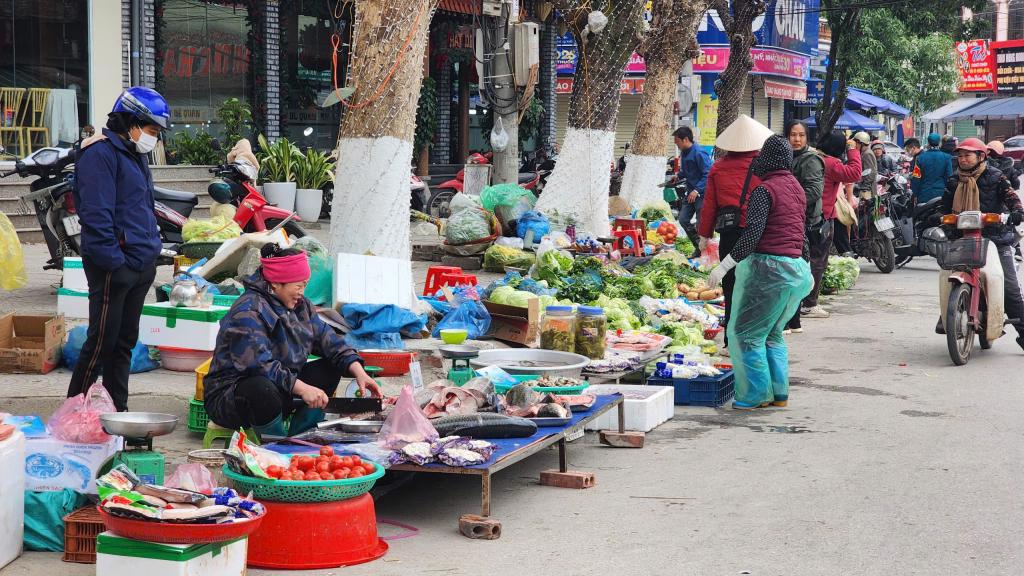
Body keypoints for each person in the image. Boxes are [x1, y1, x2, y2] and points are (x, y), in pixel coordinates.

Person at [203, 245, 382, 437]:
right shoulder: (248, 311)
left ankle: (302, 437)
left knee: (329, 369)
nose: (302, 292)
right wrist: (303, 389)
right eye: (298, 286)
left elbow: (329, 341)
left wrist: (359, 371)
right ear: (276, 283)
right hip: (233, 398)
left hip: (282, 388)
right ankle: (276, 445)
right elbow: (259, 366)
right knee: (261, 387)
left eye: (305, 285)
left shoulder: (301, 306)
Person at [66, 87, 169, 412]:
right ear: (130, 122)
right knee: (100, 343)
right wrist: (116, 263)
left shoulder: (134, 155)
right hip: (114, 267)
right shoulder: (100, 155)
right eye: (151, 131)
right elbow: (96, 216)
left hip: (140, 264)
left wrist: (149, 255)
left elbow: (141, 207)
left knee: (124, 344)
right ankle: (73, 412)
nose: (153, 139)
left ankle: (117, 413)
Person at [704, 135, 813, 409]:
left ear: (767, 160)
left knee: (746, 334)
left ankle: (755, 396)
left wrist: (724, 266)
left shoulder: (765, 190)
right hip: (796, 269)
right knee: (772, 333)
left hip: (769, 270)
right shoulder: (796, 187)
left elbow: (752, 235)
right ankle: (779, 395)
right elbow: (802, 232)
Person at [938, 138, 1024, 350]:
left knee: (1009, 289)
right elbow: (944, 207)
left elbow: (1013, 200)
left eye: (967, 155)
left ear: (981, 156)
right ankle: (948, 314)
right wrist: (938, 218)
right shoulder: (953, 180)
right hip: (962, 238)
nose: (963, 159)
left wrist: (1015, 214)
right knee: (947, 277)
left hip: (996, 239)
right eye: (960, 155)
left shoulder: (996, 177)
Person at [698, 114, 773, 350]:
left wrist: (704, 235)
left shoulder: (718, 168)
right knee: (755, 286)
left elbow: (709, 204)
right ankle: (753, 339)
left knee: (731, 286)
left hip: (729, 235)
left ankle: (730, 340)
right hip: (756, 235)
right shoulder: (764, 167)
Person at [809, 131, 862, 318]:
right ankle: (809, 304)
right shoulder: (831, 163)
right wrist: (853, 150)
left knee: (808, 260)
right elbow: (854, 173)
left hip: (807, 216)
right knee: (817, 261)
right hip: (823, 218)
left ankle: (803, 301)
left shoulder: (812, 157)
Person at [783, 119, 825, 334]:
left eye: (801, 135)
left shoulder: (810, 160)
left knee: (795, 272)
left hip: (805, 223)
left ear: (807, 138)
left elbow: (814, 191)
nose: (797, 139)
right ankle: (793, 320)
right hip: (792, 221)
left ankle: (792, 319)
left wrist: (786, 204)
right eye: (792, 134)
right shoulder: (786, 157)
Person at [673, 126, 712, 255]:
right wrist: (678, 175)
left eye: (677, 140)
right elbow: (687, 171)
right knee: (683, 219)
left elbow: (708, 174)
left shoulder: (699, 153)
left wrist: (696, 190)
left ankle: (704, 251)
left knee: (701, 225)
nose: (675, 143)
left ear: (685, 139)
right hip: (690, 192)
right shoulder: (684, 152)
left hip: (701, 194)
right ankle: (698, 245)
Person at [910, 133, 954, 203]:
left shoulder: (920, 158)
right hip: (941, 194)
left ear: (928, 143)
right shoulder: (947, 157)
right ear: (939, 142)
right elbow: (949, 177)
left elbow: (916, 178)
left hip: (924, 194)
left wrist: (915, 194)